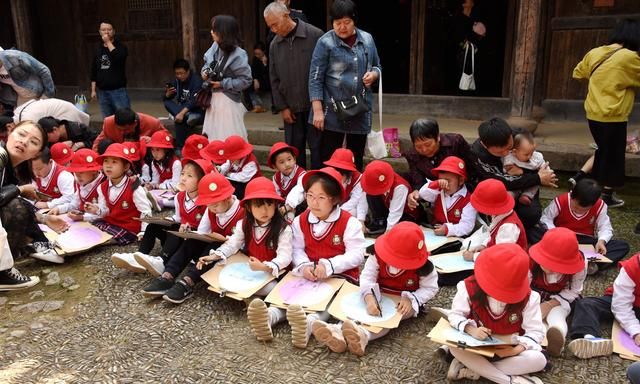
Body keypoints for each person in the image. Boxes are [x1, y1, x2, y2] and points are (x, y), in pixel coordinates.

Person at [314, 222, 438, 356]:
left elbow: (430, 288)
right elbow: (367, 277)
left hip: (403, 302)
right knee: (357, 308)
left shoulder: (425, 267)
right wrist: (369, 297)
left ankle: (363, 336)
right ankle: (336, 331)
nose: (395, 263)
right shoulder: (377, 256)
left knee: (386, 320)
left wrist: (411, 299)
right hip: (378, 292)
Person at [196, 177, 292, 341]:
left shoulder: (284, 228)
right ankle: (253, 297)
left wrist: (265, 267)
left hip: (273, 273)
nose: (265, 210)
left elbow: (285, 256)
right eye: (258, 205)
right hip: (252, 270)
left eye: (269, 204)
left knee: (276, 289)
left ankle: (259, 305)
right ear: (248, 206)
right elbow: (233, 244)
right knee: (221, 270)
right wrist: (213, 256)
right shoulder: (244, 224)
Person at [286, 167, 366, 348]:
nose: (314, 203)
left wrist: (329, 266)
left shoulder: (349, 222)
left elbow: (357, 254)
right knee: (290, 293)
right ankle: (273, 316)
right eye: (310, 196)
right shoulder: (301, 220)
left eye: (321, 198)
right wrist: (304, 266)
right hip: (310, 273)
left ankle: (310, 323)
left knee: (331, 298)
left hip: (340, 275)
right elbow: (296, 248)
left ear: (335, 199)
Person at [446, 244, 546, 383]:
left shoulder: (530, 297)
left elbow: (535, 332)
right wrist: (471, 330)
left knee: (539, 360)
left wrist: (514, 351)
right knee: (455, 348)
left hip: (509, 348)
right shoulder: (468, 287)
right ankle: (509, 381)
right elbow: (455, 314)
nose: (500, 295)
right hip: (476, 346)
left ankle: (475, 369)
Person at [141, 172, 244, 304]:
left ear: (228, 198)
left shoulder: (242, 211)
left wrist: (223, 239)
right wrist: (190, 232)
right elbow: (202, 231)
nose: (212, 208)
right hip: (214, 245)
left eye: (216, 204)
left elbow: (240, 242)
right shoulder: (211, 209)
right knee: (193, 240)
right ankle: (168, 275)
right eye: (209, 204)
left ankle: (188, 282)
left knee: (214, 246)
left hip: (230, 253)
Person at [572, 18, 640, 208]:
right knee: (614, 157)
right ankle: (605, 195)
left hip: (593, 113)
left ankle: (582, 180)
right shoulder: (628, 56)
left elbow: (578, 73)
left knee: (604, 151)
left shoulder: (595, 52)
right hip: (613, 114)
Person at [309, 0, 381, 171]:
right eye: (337, 23)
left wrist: (374, 74)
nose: (342, 27)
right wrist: (317, 111)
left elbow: (377, 65)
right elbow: (315, 78)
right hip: (332, 110)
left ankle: (354, 192)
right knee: (329, 158)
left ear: (354, 20)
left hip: (360, 109)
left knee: (356, 158)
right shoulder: (325, 42)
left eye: (347, 22)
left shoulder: (367, 39)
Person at [111, 159, 212, 276]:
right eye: (182, 174)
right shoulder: (179, 197)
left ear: (202, 181)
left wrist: (188, 230)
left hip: (192, 244)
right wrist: (165, 221)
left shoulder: (206, 202)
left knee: (175, 229)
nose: (183, 178)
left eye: (190, 176)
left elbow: (207, 231)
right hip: (179, 236)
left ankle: (162, 262)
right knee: (154, 225)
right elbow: (178, 218)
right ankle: (140, 256)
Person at [0, 121, 66, 290]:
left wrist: (44, 218)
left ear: (36, 153)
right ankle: (2, 274)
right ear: (10, 132)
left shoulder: (9, 167)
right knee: (16, 208)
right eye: (21, 135)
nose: (24, 142)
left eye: (33, 142)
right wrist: (20, 189)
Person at [469, 117, 557, 231]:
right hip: (497, 189)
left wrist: (526, 172)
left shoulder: (520, 136)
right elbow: (500, 181)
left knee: (531, 214)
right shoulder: (478, 153)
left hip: (524, 187)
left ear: (511, 135)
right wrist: (537, 178)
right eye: (500, 152)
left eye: (509, 148)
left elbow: (535, 163)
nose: (506, 154)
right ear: (485, 145)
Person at [264, 1, 324, 170]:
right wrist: (282, 107)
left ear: (286, 15)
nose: (273, 30)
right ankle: (296, 188)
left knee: (318, 149)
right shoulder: (275, 44)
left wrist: (320, 104)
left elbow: (324, 72)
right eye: (270, 27)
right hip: (290, 107)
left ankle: (319, 188)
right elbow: (273, 78)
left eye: (275, 25)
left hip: (315, 106)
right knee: (293, 152)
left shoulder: (315, 35)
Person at [540, 178, 629, 275]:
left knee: (622, 246)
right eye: (576, 207)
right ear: (572, 196)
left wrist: (601, 241)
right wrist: (555, 233)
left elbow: (605, 227)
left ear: (593, 203)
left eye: (584, 210)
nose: (579, 211)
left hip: (584, 241)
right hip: (561, 238)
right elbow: (546, 218)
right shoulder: (561, 201)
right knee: (534, 232)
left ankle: (591, 265)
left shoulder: (600, 206)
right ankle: (570, 260)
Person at [567, 252, 640, 359]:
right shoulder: (632, 267)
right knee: (586, 304)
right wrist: (636, 331)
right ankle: (590, 339)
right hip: (620, 301)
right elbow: (621, 305)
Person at [528, 228, 587, 357]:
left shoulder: (580, 263)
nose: (548, 267)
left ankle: (558, 333)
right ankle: (541, 341)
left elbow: (573, 291)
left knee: (558, 313)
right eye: (546, 262)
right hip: (535, 294)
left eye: (555, 264)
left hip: (562, 298)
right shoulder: (531, 261)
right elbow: (524, 286)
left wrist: (549, 305)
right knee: (534, 316)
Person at [84, 143, 152, 245]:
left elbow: (145, 211)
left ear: (126, 167)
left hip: (129, 226)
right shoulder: (102, 187)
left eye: (114, 162)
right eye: (106, 161)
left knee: (105, 237)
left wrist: (144, 232)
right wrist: (96, 209)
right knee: (92, 225)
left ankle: (104, 240)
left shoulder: (134, 187)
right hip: (112, 222)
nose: (108, 165)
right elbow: (105, 211)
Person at [201, 15, 252, 140]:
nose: (211, 32)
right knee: (213, 138)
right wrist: (204, 72)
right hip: (213, 101)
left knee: (228, 138)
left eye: (214, 29)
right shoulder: (215, 46)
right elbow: (206, 64)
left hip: (229, 101)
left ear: (223, 32)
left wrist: (223, 84)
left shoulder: (239, 54)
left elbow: (246, 80)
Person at [409, 156, 476, 238]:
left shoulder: (469, 200)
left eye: (448, 181)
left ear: (461, 180)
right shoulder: (438, 191)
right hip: (435, 234)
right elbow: (423, 194)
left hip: (457, 237)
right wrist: (436, 184)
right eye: (441, 180)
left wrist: (448, 229)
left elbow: (467, 226)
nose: (444, 184)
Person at [462, 178, 527, 262]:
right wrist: (484, 245)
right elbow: (492, 236)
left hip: (510, 267)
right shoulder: (499, 214)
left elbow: (501, 255)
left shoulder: (508, 227)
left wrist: (474, 257)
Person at [402, 118, 472, 191]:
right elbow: (418, 181)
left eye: (428, 145)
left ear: (438, 137)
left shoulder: (456, 142)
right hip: (433, 192)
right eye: (418, 146)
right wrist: (417, 192)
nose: (424, 150)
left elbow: (471, 168)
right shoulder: (412, 155)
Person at [360, 160, 416, 234]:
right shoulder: (370, 181)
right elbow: (362, 198)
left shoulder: (400, 186)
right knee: (370, 194)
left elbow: (396, 212)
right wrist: (361, 221)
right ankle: (380, 221)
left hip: (405, 215)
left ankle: (386, 226)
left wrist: (388, 232)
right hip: (387, 207)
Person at [90, 21, 130, 118]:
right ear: (100, 32)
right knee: (107, 120)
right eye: (103, 30)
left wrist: (107, 42)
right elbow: (94, 70)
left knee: (125, 118)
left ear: (114, 32)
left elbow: (119, 58)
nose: (106, 32)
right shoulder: (98, 49)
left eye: (109, 29)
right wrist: (93, 90)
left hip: (118, 91)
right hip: (102, 92)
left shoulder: (121, 47)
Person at [163, 59, 204, 151]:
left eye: (182, 73)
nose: (179, 76)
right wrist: (167, 94)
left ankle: (179, 147)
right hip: (184, 111)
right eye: (177, 73)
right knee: (167, 102)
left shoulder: (196, 81)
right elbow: (167, 98)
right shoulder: (177, 81)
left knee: (179, 119)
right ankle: (187, 116)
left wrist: (181, 113)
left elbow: (194, 101)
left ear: (188, 71)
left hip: (196, 109)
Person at [502, 130, 546, 206]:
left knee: (536, 182)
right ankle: (510, 198)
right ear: (515, 152)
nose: (530, 156)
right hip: (516, 183)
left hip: (530, 183)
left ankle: (527, 195)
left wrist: (545, 171)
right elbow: (505, 170)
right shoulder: (509, 157)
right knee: (510, 191)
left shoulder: (535, 158)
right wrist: (507, 169)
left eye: (532, 152)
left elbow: (543, 166)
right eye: (526, 154)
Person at [92, 107, 167, 151]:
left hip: (143, 155)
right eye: (120, 129)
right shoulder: (108, 123)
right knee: (104, 144)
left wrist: (153, 140)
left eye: (126, 129)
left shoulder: (152, 122)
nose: (123, 132)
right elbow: (97, 143)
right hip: (119, 154)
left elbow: (167, 137)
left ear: (135, 123)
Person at [218, 135, 262, 200]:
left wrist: (229, 174)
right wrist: (220, 169)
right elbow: (227, 164)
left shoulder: (251, 163)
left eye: (233, 157)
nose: (231, 160)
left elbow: (242, 177)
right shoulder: (232, 159)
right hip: (238, 182)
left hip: (250, 186)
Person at [13, 98, 90, 126]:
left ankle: (81, 102)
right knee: (79, 113)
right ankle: (80, 102)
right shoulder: (17, 111)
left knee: (78, 125)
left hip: (63, 111)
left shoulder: (28, 120)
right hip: (58, 106)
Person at [248, 42, 270, 113]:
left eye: (259, 54)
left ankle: (259, 106)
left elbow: (269, 73)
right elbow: (253, 71)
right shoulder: (255, 59)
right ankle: (256, 105)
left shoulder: (269, 57)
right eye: (255, 54)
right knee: (248, 85)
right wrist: (255, 80)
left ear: (263, 51)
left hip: (267, 81)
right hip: (259, 80)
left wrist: (265, 64)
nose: (257, 55)